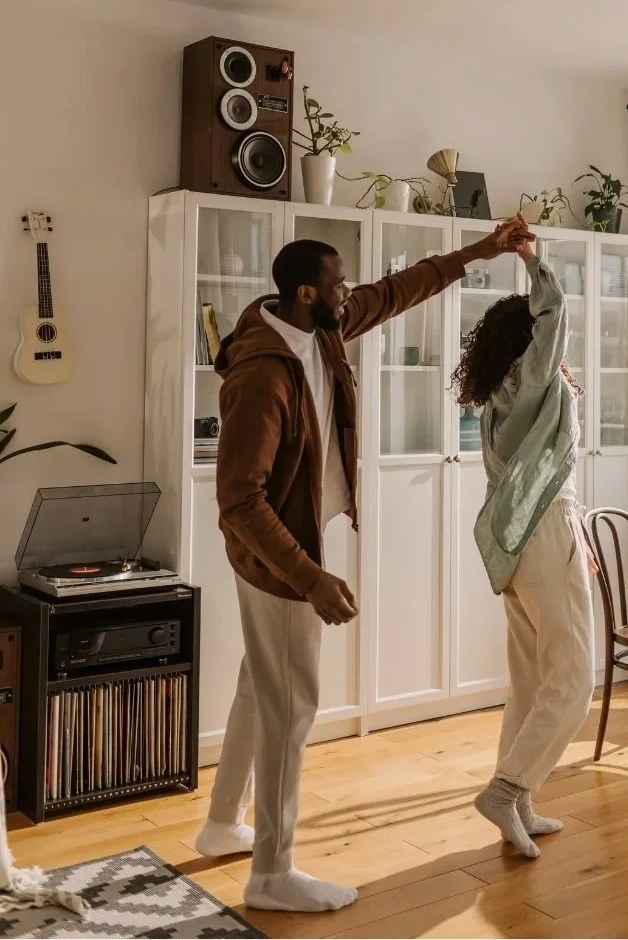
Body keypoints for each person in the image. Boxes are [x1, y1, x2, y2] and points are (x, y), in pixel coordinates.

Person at [194, 216, 533, 913]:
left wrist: (480, 250)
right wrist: (311, 578)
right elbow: (238, 499)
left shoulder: (315, 330)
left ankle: (221, 822)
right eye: (337, 282)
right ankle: (271, 871)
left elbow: (396, 290)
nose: (349, 292)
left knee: (262, 686)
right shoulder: (262, 373)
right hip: (277, 554)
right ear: (306, 293)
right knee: (291, 704)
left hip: (289, 539)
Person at [451, 218, 595, 860]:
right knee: (573, 679)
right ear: (529, 340)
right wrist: (530, 258)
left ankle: (522, 803)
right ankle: (508, 789)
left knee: (533, 680)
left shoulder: (502, 399)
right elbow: (556, 308)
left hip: (516, 542)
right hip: (542, 532)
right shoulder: (533, 383)